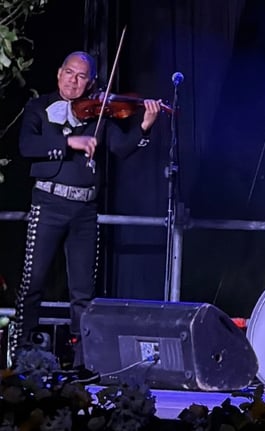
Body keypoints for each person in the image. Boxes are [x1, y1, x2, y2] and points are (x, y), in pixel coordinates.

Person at [12, 51, 162, 368]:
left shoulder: (99, 116)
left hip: (84, 210)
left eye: (82, 77)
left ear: (91, 82)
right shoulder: (39, 108)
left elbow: (122, 149)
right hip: (49, 203)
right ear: (58, 73)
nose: (74, 81)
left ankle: (83, 361)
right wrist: (69, 144)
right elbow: (26, 146)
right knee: (33, 282)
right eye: (70, 73)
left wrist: (145, 127)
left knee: (83, 292)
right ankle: (23, 353)